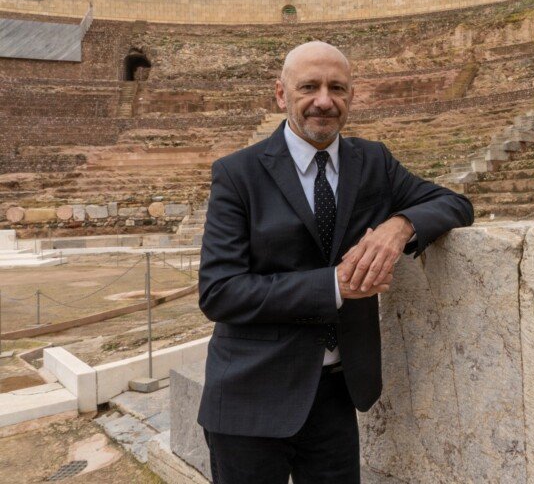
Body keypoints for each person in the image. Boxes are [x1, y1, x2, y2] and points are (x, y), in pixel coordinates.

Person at [196, 41, 474, 483]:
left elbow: (454, 203)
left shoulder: (373, 163)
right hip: (250, 400)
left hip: (335, 397)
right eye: (309, 86)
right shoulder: (237, 174)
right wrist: (333, 287)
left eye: (337, 88)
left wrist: (398, 226)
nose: (324, 101)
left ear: (350, 95)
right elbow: (220, 291)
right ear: (281, 94)